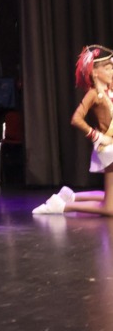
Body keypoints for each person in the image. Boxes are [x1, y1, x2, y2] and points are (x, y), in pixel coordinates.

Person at [33, 45, 113, 216]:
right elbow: (76, 118)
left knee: (108, 195)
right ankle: (61, 206)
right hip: (108, 149)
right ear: (95, 73)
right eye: (108, 68)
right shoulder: (93, 94)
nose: (112, 71)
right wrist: (96, 136)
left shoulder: (109, 90)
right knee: (110, 208)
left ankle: (70, 196)